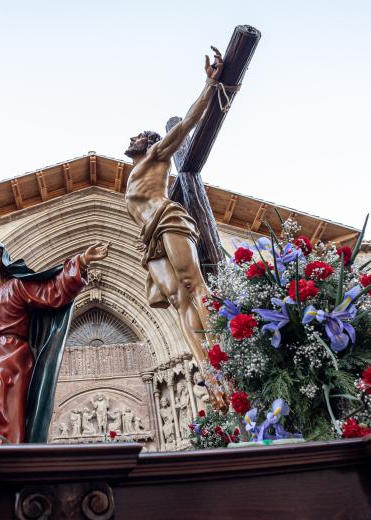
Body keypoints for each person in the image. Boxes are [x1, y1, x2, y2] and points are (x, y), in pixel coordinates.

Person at [0, 239, 109, 454]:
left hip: (10, 355)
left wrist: (83, 261)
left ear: (3, 261)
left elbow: (51, 291)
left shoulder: (16, 286)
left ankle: (1, 455)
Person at [124, 46, 223, 364]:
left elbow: (187, 125)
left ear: (151, 142)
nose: (132, 138)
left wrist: (209, 86)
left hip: (168, 219)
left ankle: (225, 356)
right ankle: (209, 369)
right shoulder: (134, 175)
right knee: (179, 301)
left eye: (138, 135)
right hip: (151, 238)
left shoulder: (156, 156)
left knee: (194, 285)